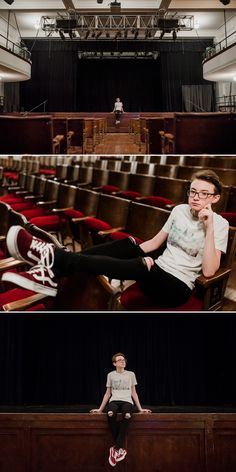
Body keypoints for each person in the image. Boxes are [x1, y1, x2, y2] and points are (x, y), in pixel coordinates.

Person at [1, 169, 229, 307]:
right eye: (192, 191)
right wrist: (136, 250)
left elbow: (209, 271)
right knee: (131, 244)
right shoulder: (179, 210)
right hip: (156, 271)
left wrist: (209, 228)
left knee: (143, 265)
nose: (196, 197)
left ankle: (53, 262)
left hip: (176, 288)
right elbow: (153, 244)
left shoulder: (220, 225)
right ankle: (56, 267)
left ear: (215, 198)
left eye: (204, 193)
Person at [90, 352, 151, 467]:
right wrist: (99, 409)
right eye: (120, 360)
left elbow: (134, 392)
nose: (123, 361)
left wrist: (140, 409)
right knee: (110, 413)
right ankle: (120, 449)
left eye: (124, 359)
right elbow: (108, 393)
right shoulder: (110, 375)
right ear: (114, 363)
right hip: (114, 400)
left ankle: (115, 448)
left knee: (127, 414)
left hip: (127, 401)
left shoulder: (131, 374)